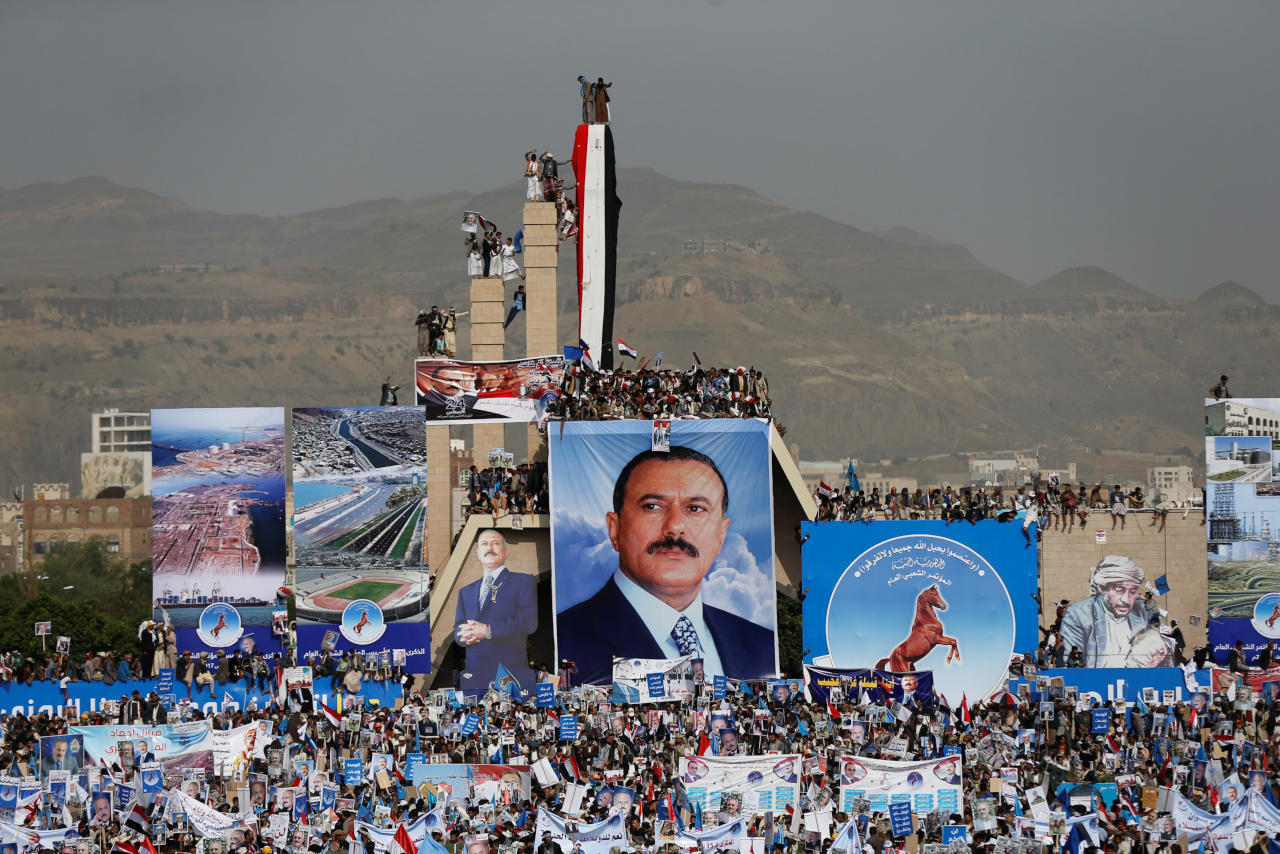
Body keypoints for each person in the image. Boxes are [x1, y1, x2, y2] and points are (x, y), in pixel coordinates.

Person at [555, 445, 775, 684]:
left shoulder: (763, 646)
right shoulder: (563, 642)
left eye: (695, 508)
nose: (675, 526)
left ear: (721, 536)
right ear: (615, 529)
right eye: (652, 506)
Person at [454, 530, 538, 691]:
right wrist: (464, 635)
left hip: (509, 675)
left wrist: (487, 630)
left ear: (506, 552)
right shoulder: (465, 591)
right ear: (478, 553)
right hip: (474, 678)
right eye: (484, 544)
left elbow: (528, 622)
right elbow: (458, 627)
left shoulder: (523, 581)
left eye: (495, 543)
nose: (489, 547)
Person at [1059, 555, 1160, 667]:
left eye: (1132, 592)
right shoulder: (1078, 615)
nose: (1126, 600)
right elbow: (1073, 661)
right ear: (1101, 588)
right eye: (1118, 590)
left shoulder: (1143, 612)